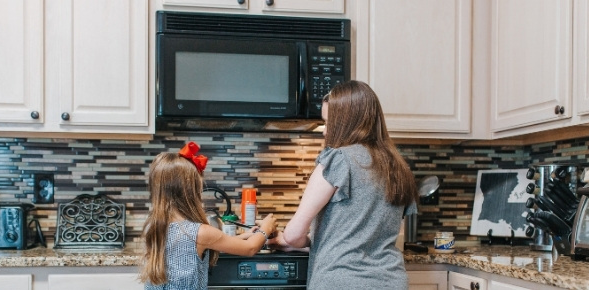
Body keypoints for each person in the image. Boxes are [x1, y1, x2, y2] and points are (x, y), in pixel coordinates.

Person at [268, 80, 419, 289]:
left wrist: (291, 239)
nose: (324, 131)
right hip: (391, 282)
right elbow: (359, 237)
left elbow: (294, 234)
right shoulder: (399, 167)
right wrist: (308, 242)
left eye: (329, 123)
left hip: (341, 282)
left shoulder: (338, 159)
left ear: (346, 124)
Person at [140, 141, 278, 290]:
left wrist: (243, 236)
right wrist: (266, 228)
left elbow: (203, 245)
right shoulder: (200, 232)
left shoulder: (153, 227)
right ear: (190, 191)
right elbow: (250, 248)